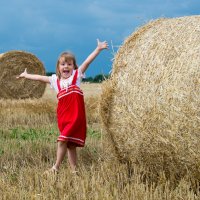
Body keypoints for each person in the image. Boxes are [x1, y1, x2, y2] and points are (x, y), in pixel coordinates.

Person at [17, 39, 109, 173]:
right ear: (58, 67)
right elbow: (40, 78)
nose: (66, 66)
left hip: (76, 117)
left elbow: (87, 62)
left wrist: (98, 49)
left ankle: (55, 167)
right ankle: (74, 171)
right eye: (63, 64)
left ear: (74, 67)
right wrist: (26, 75)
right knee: (70, 145)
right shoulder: (55, 81)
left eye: (69, 64)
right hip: (63, 117)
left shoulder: (76, 77)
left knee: (61, 141)